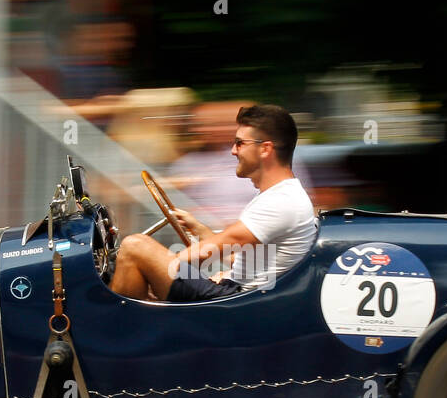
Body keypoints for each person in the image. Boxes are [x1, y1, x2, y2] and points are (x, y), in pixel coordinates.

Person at [109, 104, 318, 302]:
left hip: (237, 301)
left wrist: (163, 268)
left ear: (265, 149)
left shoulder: (280, 201)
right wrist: (200, 229)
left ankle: (114, 331)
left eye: (239, 143)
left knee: (135, 246)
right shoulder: (281, 196)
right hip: (238, 291)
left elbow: (213, 249)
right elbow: (240, 257)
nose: (233, 151)